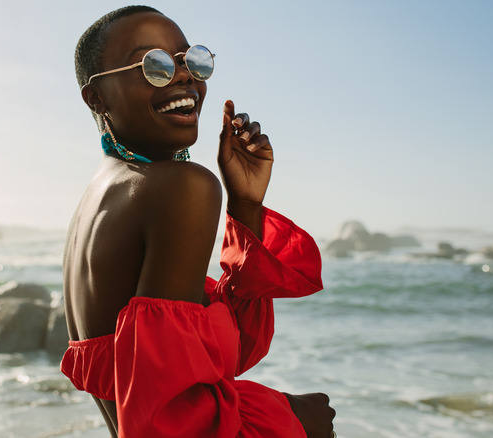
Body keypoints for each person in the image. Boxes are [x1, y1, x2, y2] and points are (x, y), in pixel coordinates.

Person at [60, 5, 336, 437]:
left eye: (192, 61)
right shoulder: (180, 187)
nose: (185, 76)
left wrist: (245, 206)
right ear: (97, 97)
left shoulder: (98, 200)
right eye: (154, 65)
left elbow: (209, 357)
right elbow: (170, 424)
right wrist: (297, 422)